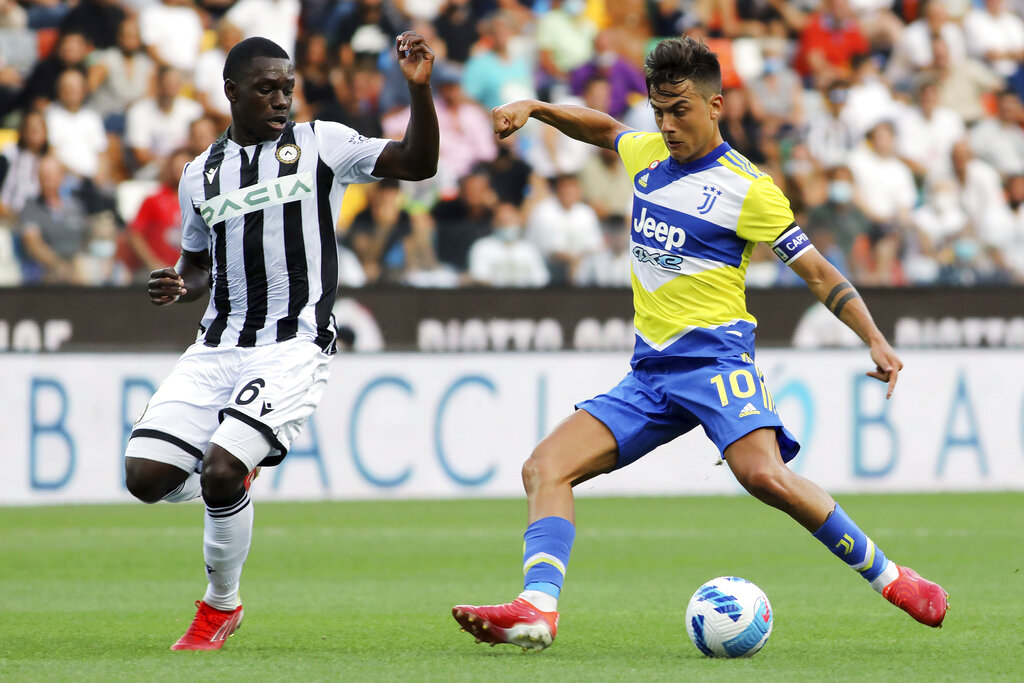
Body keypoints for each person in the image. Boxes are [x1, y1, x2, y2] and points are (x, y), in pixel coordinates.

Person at [452, 36, 948, 652]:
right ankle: (537, 609)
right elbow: (604, 128)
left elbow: (818, 272)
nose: (667, 125)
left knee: (763, 476)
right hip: (649, 375)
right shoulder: (647, 155)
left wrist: (874, 338)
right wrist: (535, 107)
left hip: (715, 362)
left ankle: (893, 578)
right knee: (543, 468)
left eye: (679, 111)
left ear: (716, 105)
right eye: (658, 111)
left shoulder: (748, 188)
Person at [124, 33, 438, 651]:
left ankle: (220, 606)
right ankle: (231, 484)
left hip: (294, 343)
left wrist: (419, 90)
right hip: (217, 345)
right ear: (231, 91)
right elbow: (198, 264)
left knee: (220, 468)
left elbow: (417, 162)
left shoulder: (323, 143)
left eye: (287, 88)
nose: (280, 99)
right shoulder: (199, 174)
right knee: (144, 478)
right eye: (266, 88)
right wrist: (178, 285)